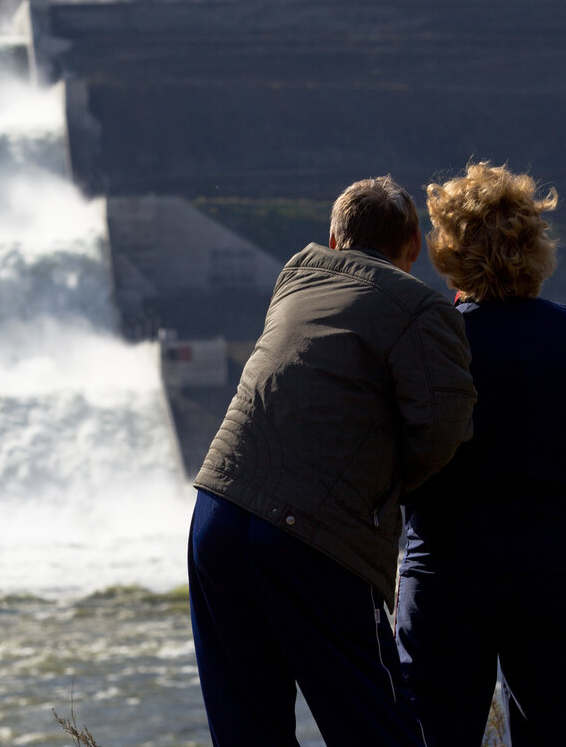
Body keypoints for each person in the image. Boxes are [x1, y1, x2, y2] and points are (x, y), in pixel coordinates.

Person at [189, 175, 477, 746]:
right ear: (413, 245)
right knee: (378, 728)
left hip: (216, 516)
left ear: (333, 236)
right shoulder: (420, 308)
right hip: (313, 538)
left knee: (247, 729)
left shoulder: (295, 276)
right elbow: (444, 431)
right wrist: (379, 490)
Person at [394, 162, 566, 747]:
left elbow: (391, 452)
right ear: (536, 245)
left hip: (443, 571)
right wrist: (565, 467)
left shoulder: (429, 339)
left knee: (431, 732)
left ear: (448, 250)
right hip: (557, 569)